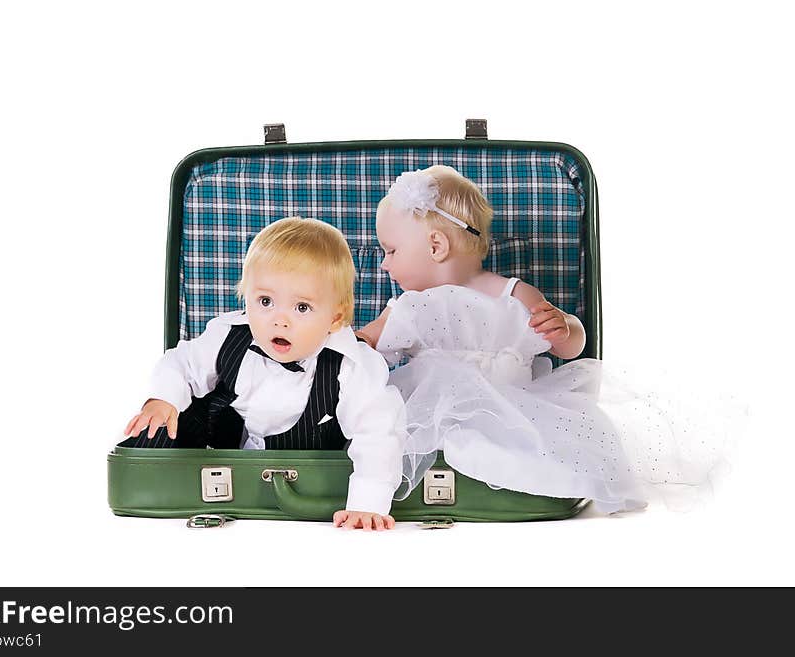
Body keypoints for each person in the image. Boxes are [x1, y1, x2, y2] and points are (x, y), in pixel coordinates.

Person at [356, 166, 729, 513]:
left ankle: (529, 484)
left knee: (539, 448)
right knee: (383, 432)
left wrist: (565, 327)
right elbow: (363, 343)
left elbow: (569, 345)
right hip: (432, 410)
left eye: (391, 251)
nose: (384, 264)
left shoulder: (512, 294)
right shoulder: (410, 307)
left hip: (513, 410)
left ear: (436, 246)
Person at [124, 217, 406, 530]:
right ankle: (155, 480)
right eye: (265, 301)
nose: (279, 320)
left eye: (301, 308)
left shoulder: (351, 365)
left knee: (375, 427)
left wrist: (367, 504)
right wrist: (162, 398)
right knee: (165, 420)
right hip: (218, 444)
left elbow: (378, 432)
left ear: (335, 317)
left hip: (308, 462)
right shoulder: (229, 336)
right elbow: (181, 363)